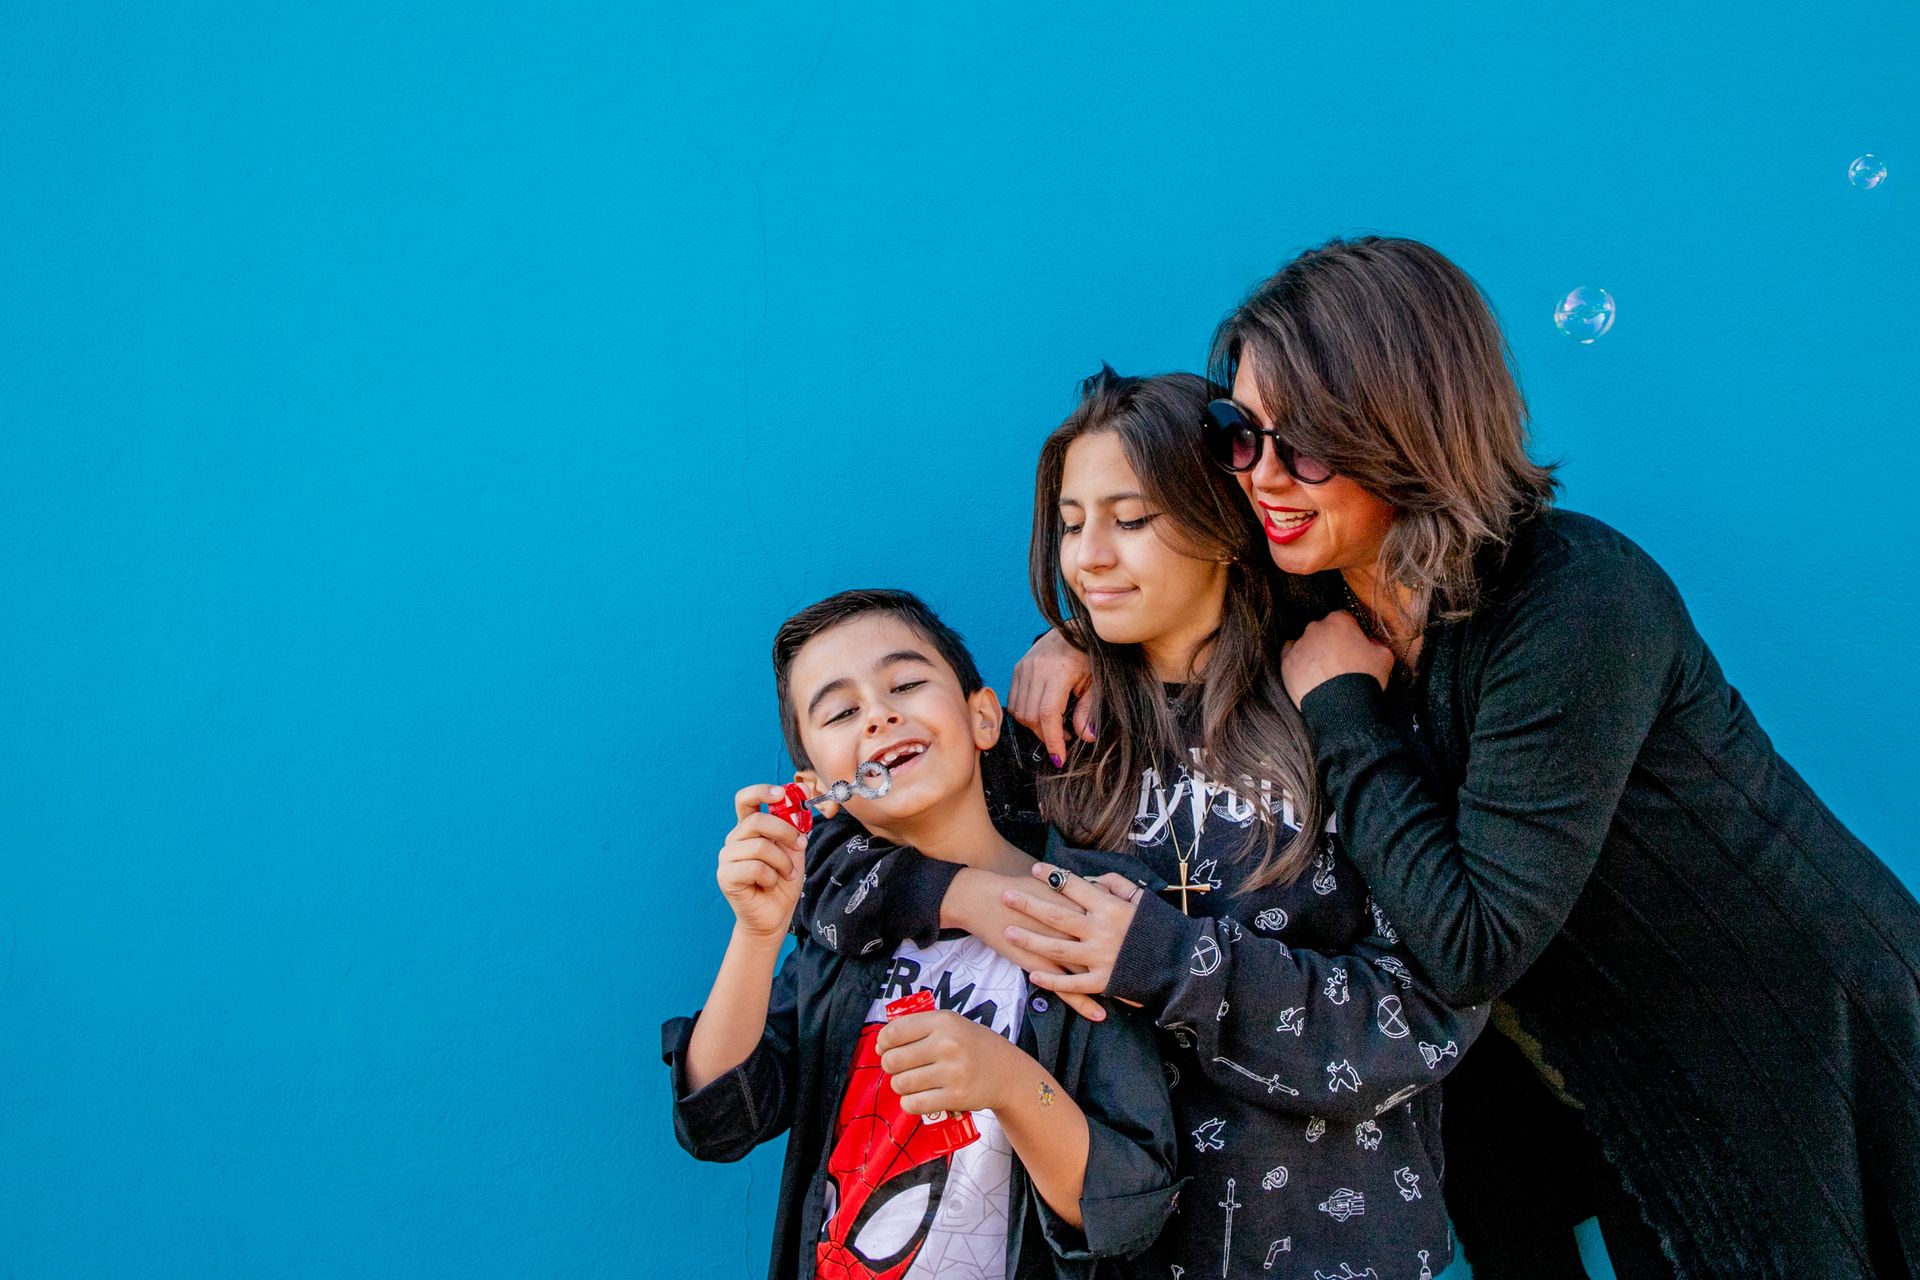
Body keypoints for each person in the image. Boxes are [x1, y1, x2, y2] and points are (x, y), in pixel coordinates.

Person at [1011, 237, 1920, 1279]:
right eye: (1239, 434)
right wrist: (1085, 636)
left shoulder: (1574, 600)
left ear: (1404, 430)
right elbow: (1190, 590)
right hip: (1597, 1074)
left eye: (1304, 445)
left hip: (1791, 1044)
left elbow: (1474, 943)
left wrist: (1346, 711)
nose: (1262, 476)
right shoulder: (1320, 584)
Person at [799, 370, 1487, 1279]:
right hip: (1104, 1257)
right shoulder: (1051, 732)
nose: (1088, 559)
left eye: (1130, 520)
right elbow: (836, 873)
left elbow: (1425, 1016)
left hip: (1335, 1245)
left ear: (1223, 522)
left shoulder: (1343, 707)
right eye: (1070, 524)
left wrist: (1167, 960)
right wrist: (966, 896)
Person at [660, 589, 1179, 1280]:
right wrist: (757, 934)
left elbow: (1131, 1204)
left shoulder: (1090, 914)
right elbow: (719, 1122)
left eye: (905, 684)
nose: (879, 715)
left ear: (983, 718)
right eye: (841, 712)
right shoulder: (839, 943)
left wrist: (1011, 1084)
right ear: (818, 790)